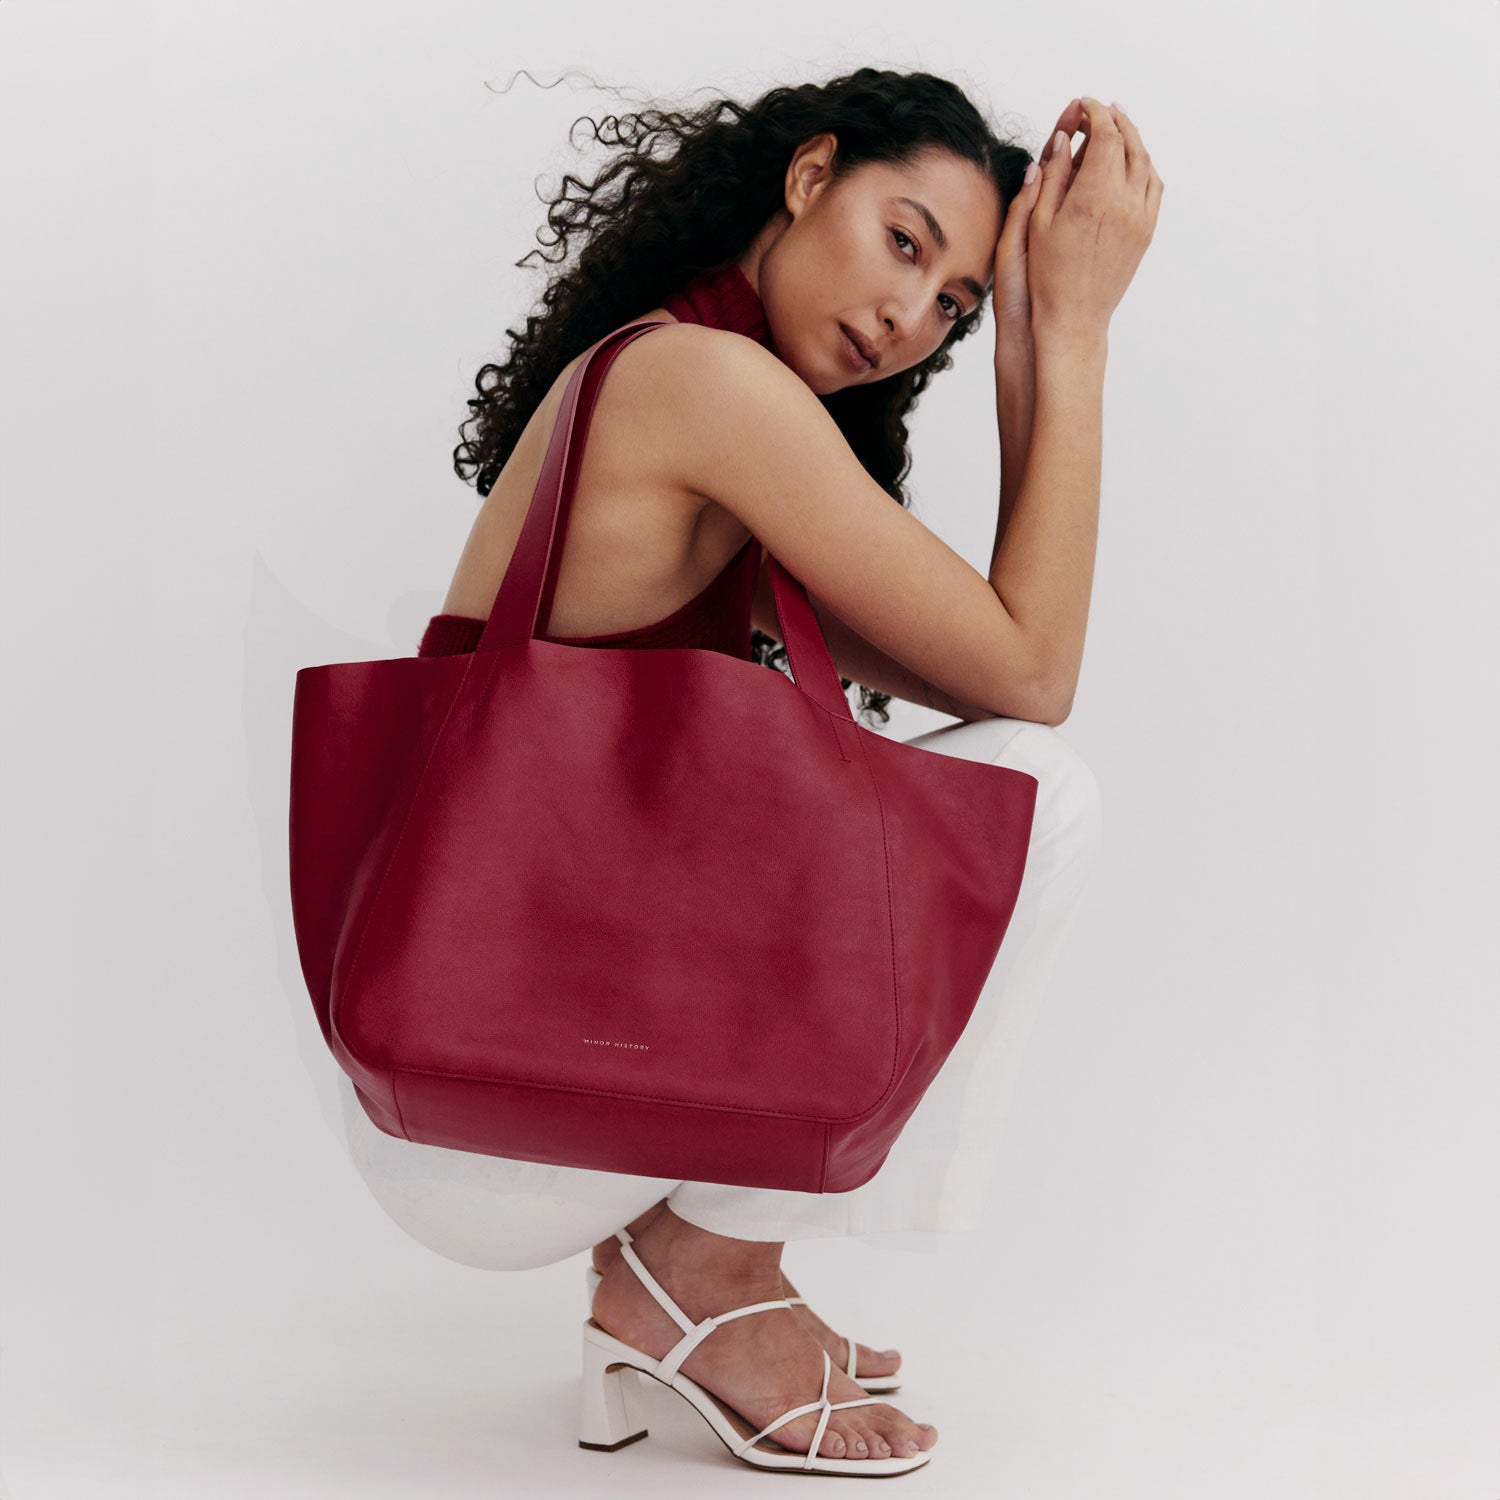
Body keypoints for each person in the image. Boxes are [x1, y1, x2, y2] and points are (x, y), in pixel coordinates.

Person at [338, 66, 1161, 1475]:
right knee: (1045, 794)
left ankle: (700, 1272)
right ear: (808, 175)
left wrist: (1032, 335)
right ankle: (703, 1274)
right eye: (903, 241)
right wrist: (1071, 333)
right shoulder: (706, 385)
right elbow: (1035, 679)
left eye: (957, 305)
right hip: (496, 1113)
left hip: (480, 1083)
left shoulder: (706, 392)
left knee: (1003, 785)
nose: (910, 318)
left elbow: (998, 661)